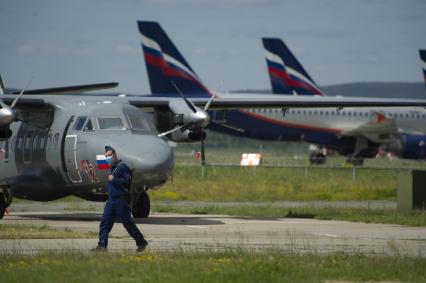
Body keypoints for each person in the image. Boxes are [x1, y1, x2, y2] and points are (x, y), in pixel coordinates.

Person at [93, 146, 148, 252]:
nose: (107, 158)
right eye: (106, 156)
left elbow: (127, 181)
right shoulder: (110, 167)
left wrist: (115, 180)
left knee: (127, 223)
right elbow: (99, 164)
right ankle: (102, 246)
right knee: (105, 223)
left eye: (110, 156)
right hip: (111, 199)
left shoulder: (122, 167)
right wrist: (104, 155)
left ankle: (141, 242)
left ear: (114, 155)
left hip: (121, 200)